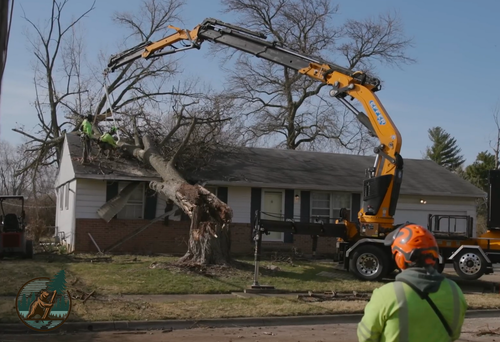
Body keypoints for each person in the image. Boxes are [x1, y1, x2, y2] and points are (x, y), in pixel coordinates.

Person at [357, 223, 467, 342]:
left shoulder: (386, 295)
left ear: (399, 258)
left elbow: (366, 337)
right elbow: (454, 333)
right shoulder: (455, 291)